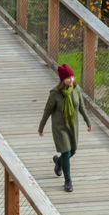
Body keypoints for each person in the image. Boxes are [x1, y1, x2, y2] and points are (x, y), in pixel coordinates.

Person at [38, 63, 92, 193]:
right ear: (62, 79)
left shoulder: (76, 90)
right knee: (66, 152)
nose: (71, 80)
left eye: (72, 77)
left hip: (73, 126)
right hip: (60, 127)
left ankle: (59, 161)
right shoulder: (55, 93)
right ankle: (68, 181)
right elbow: (47, 111)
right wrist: (41, 127)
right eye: (68, 78)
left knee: (72, 151)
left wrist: (88, 122)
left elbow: (81, 107)